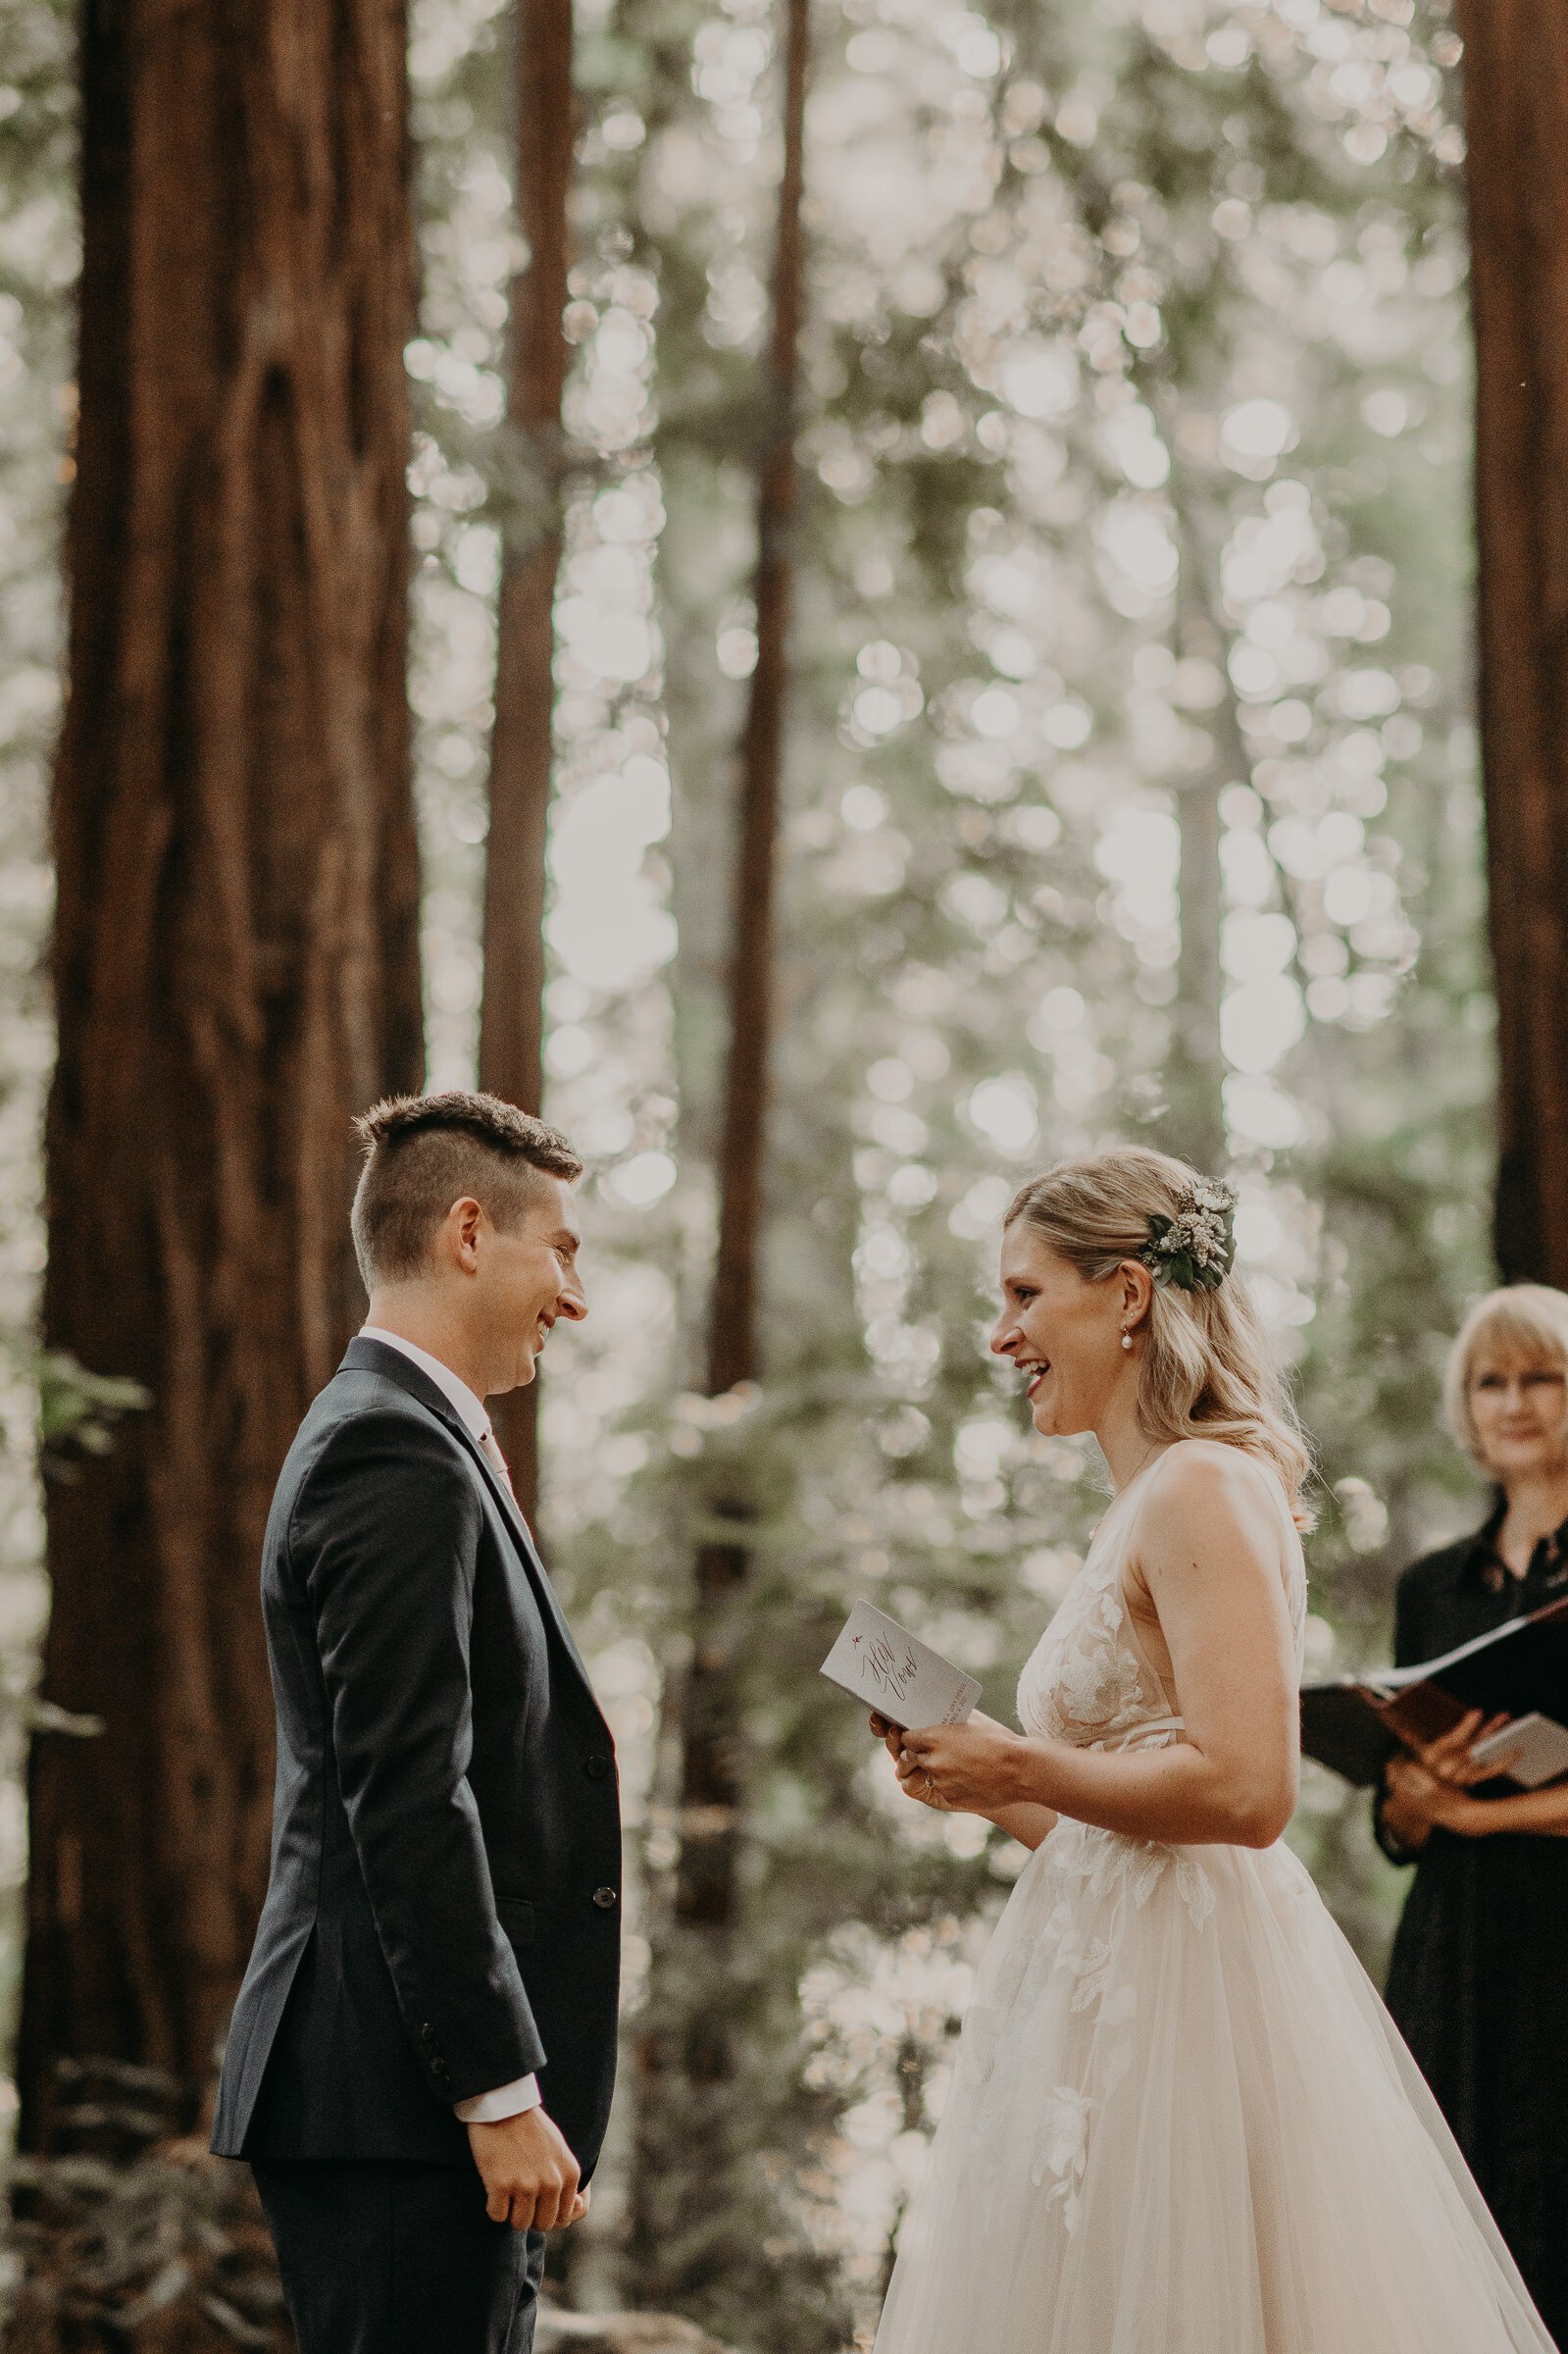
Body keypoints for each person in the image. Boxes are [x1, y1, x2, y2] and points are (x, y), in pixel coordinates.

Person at [868, 1148, 1553, 2354]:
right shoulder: (1140, 1502)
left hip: (1186, 2002)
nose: (999, 1335)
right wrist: (981, 1784)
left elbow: (1246, 1791)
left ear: (1128, 1295)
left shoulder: (1201, 1486)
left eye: (1025, 1296)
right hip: (1099, 1981)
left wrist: (1022, 1763)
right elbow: (1122, 1821)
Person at [211, 1091, 622, 2354]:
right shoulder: (391, 1452)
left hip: (399, 2103)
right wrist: (493, 2089)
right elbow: (406, 1797)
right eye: (559, 1246)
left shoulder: (409, 1434)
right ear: (465, 1232)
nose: (576, 1291)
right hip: (402, 2105)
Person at [1374, 1284, 1568, 2346]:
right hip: (1452, 1956)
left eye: (1541, 1375)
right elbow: (1398, 1821)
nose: (1514, 1401)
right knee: (1444, 2240)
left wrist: (1476, 1814)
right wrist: (1410, 1800)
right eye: (1489, 1382)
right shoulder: (1433, 1585)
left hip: (1561, 1947)